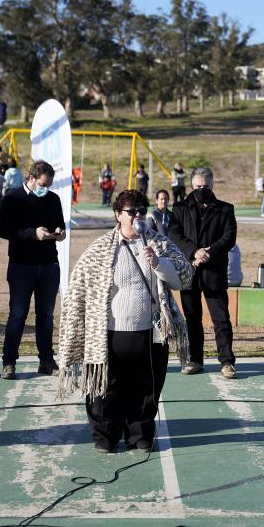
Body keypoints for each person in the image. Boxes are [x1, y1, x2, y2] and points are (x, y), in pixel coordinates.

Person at [56, 190, 193, 453]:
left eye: (142, 211)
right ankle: (105, 436)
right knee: (107, 389)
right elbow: (78, 289)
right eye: (131, 211)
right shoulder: (100, 249)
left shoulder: (159, 244)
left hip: (151, 332)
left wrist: (158, 262)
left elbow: (183, 278)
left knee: (147, 389)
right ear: (118, 215)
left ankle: (139, 435)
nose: (138, 216)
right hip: (110, 333)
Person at [0, 161, 67, 379]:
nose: (46, 188)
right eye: (43, 184)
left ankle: (46, 360)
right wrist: (32, 233)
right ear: (31, 178)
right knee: (17, 314)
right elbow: (4, 230)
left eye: (49, 184)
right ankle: (9, 362)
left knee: (46, 315)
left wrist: (59, 231)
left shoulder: (53, 199)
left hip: (48, 265)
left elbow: (59, 223)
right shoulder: (12, 198)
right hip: (21, 265)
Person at [168, 167, 238, 379]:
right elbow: (174, 234)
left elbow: (229, 237)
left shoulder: (225, 209)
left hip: (213, 271)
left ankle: (226, 362)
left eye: (205, 186)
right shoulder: (179, 208)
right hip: (190, 270)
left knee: (221, 319)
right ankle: (195, 359)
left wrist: (209, 252)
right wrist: (194, 252)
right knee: (192, 319)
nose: (201, 189)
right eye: (198, 186)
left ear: (212, 184)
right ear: (192, 185)